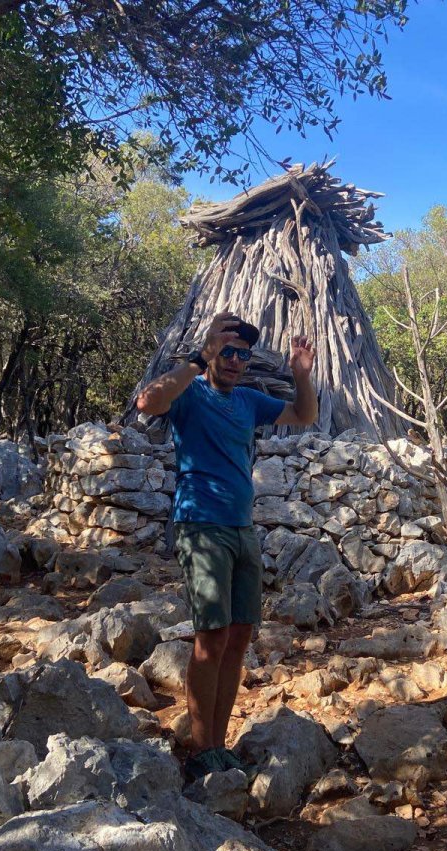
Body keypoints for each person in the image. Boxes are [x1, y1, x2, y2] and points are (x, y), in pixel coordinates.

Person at [135, 310, 317, 780]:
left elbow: (304, 414)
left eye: (243, 353)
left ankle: (219, 741)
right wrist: (199, 358)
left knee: (238, 636)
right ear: (212, 349)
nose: (236, 360)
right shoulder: (189, 394)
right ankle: (201, 748)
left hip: (242, 528)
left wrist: (300, 375)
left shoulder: (249, 402)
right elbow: (147, 403)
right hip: (201, 524)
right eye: (228, 350)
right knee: (210, 637)